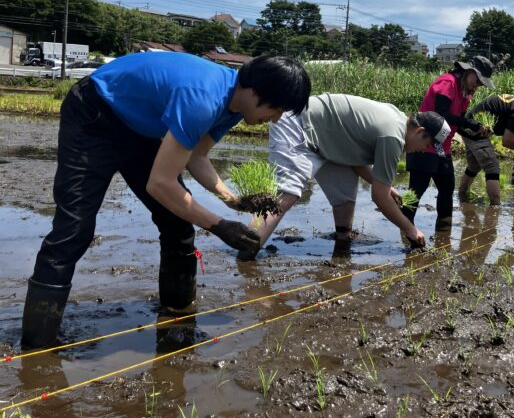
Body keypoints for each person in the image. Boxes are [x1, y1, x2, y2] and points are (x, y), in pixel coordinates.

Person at [22, 52, 311, 349]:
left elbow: (197, 156)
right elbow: (160, 184)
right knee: (73, 230)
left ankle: (178, 316)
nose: (276, 118)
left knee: (177, 224)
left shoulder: (235, 107)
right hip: (94, 113)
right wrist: (220, 226)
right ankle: (37, 345)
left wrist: (233, 200)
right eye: (277, 108)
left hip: (138, 127)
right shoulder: (203, 99)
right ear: (255, 92)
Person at [252, 93, 452, 252]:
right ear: (419, 131)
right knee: (288, 194)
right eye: (427, 145)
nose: (424, 150)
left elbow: (355, 160)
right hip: (298, 124)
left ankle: (342, 244)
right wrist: (410, 228)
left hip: (325, 139)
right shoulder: (393, 137)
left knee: (345, 198)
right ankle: (248, 244)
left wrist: (386, 187)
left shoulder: (397, 121)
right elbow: (379, 197)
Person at [404, 56, 495, 230]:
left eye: (481, 84)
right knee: (416, 190)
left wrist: (474, 133)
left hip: (441, 148)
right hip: (423, 143)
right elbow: (441, 115)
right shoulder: (448, 83)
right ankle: (405, 227)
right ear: (469, 71)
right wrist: (471, 124)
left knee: (447, 188)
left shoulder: (465, 93)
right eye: (477, 80)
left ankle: (444, 233)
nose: (477, 85)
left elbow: (456, 124)